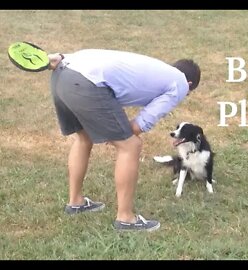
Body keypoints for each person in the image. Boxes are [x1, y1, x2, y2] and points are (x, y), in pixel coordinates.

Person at [47, 49, 201, 232]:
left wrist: (64, 57)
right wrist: (115, 133)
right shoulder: (180, 83)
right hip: (85, 83)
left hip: (62, 73)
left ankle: (76, 202)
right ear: (189, 84)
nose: (185, 95)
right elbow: (142, 123)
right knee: (131, 146)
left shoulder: (155, 67)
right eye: (189, 93)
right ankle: (126, 218)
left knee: (84, 137)